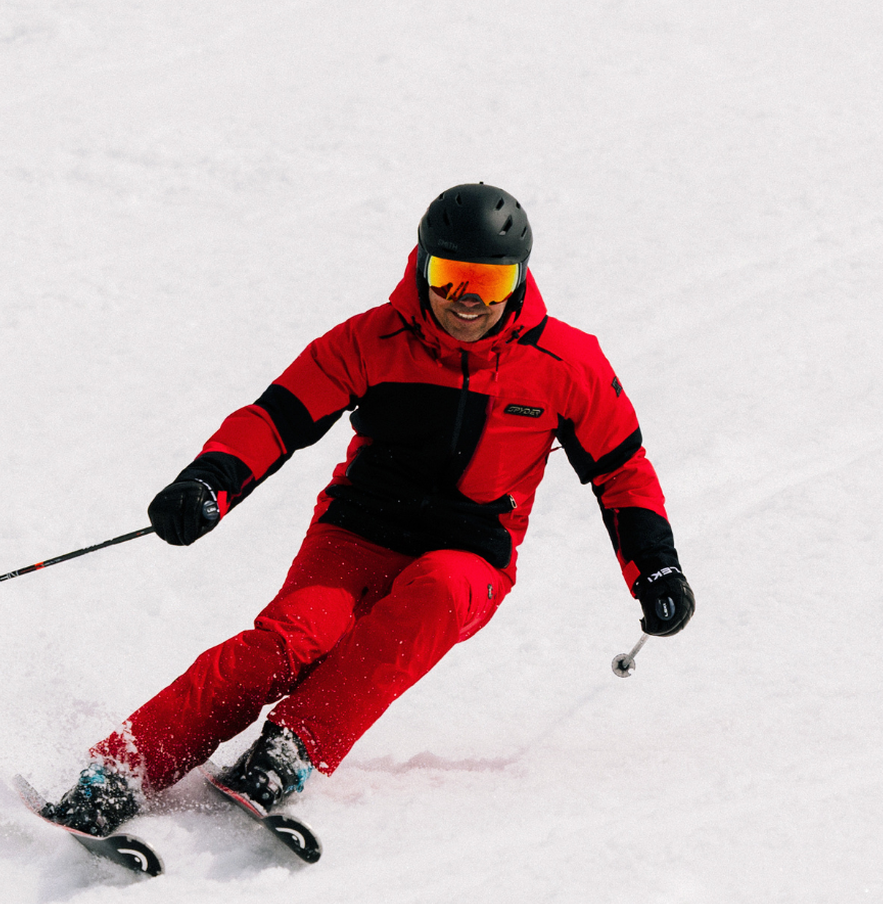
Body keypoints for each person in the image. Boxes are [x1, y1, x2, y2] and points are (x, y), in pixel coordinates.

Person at [48, 183, 694, 833]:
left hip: (471, 551)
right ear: (420, 265)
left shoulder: (566, 363)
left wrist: (656, 567)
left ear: (519, 279)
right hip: (357, 534)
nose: (465, 302)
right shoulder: (371, 340)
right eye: (449, 277)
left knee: (435, 592)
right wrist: (207, 483)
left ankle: (292, 749)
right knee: (284, 645)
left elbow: (623, 473)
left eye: (488, 284)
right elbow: (275, 420)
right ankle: (120, 772)